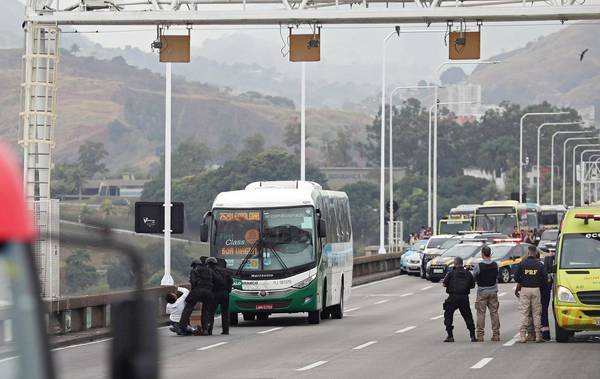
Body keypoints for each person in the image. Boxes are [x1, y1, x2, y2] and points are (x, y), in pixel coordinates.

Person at [514, 245, 548, 343]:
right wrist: (537, 281)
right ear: (535, 253)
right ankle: (538, 336)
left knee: (524, 312)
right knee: (536, 313)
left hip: (525, 289)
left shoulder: (522, 264)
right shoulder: (539, 265)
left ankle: (522, 336)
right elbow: (545, 278)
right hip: (536, 289)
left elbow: (516, 277)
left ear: (528, 252)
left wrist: (524, 280)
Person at [442, 257, 477, 343]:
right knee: (468, 316)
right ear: (462, 263)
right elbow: (473, 285)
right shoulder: (468, 273)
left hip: (453, 297)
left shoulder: (451, 273)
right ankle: (473, 336)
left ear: (455, 264)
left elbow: (444, 284)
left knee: (448, 315)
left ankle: (450, 336)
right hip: (464, 297)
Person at [472, 245, 500, 342]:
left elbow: (473, 277)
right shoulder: (496, 265)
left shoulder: (478, 266)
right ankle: (496, 334)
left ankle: (480, 335)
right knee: (494, 313)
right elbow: (497, 275)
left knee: (481, 314)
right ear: (490, 254)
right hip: (493, 291)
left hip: (482, 292)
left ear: (482, 254)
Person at [179, 258, 214, 336]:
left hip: (197, 291)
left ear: (194, 265)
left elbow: (193, 282)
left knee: (188, 308)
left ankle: (183, 327)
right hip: (208, 292)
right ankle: (205, 329)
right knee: (206, 310)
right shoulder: (209, 271)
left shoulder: (194, 271)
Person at [206, 257, 233, 335]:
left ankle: (209, 330)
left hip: (215, 293)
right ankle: (226, 330)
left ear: (208, 264)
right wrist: (228, 290)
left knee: (211, 313)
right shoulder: (224, 271)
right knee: (225, 312)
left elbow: (208, 283)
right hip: (225, 293)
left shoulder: (209, 271)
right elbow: (231, 280)